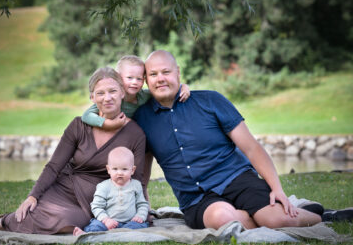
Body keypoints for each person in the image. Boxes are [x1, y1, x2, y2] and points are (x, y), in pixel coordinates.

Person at [133, 50, 322, 230]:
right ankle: (260, 216)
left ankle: (323, 217)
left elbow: (251, 148)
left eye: (166, 72)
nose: (160, 79)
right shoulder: (142, 119)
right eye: (154, 74)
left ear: (178, 73)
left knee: (277, 220)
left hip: (236, 179)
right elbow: (144, 171)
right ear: (146, 80)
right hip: (196, 199)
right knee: (224, 219)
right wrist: (144, 208)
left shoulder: (210, 101)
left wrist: (277, 188)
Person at [0, 67, 147, 234]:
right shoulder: (78, 125)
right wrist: (33, 195)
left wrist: (138, 210)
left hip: (97, 199)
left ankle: (3, 222)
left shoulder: (135, 134)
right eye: (100, 93)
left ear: (122, 92)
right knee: (33, 211)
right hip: (63, 187)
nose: (107, 98)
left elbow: (135, 178)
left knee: (67, 221)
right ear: (92, 97)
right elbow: (55, 165)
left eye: (112, 91)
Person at [81, 55, 190, 194]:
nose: (135, 82)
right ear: (118, 78)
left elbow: (165, 89)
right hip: (114, 140)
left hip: (137, 140)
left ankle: (144, 203)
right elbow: (86, 116)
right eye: (130, 78)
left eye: (139, 79)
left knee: (142, 174)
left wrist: (183, 87)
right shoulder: (112, 98)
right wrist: (107, 124)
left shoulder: (143, 96)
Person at [73, 146, 149, 236]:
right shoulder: (104, 186)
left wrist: (140, 216)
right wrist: (106, 220)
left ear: (132, 170)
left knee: (138, 226)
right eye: (115, 169)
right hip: (107, 222)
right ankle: (85, 234)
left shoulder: (136, 185)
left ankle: (124, 232)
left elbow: (142, 204)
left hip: (129, 222)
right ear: (108, 169)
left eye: (124, 169)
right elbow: (96, 206)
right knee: (96, 226)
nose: (119, 173)